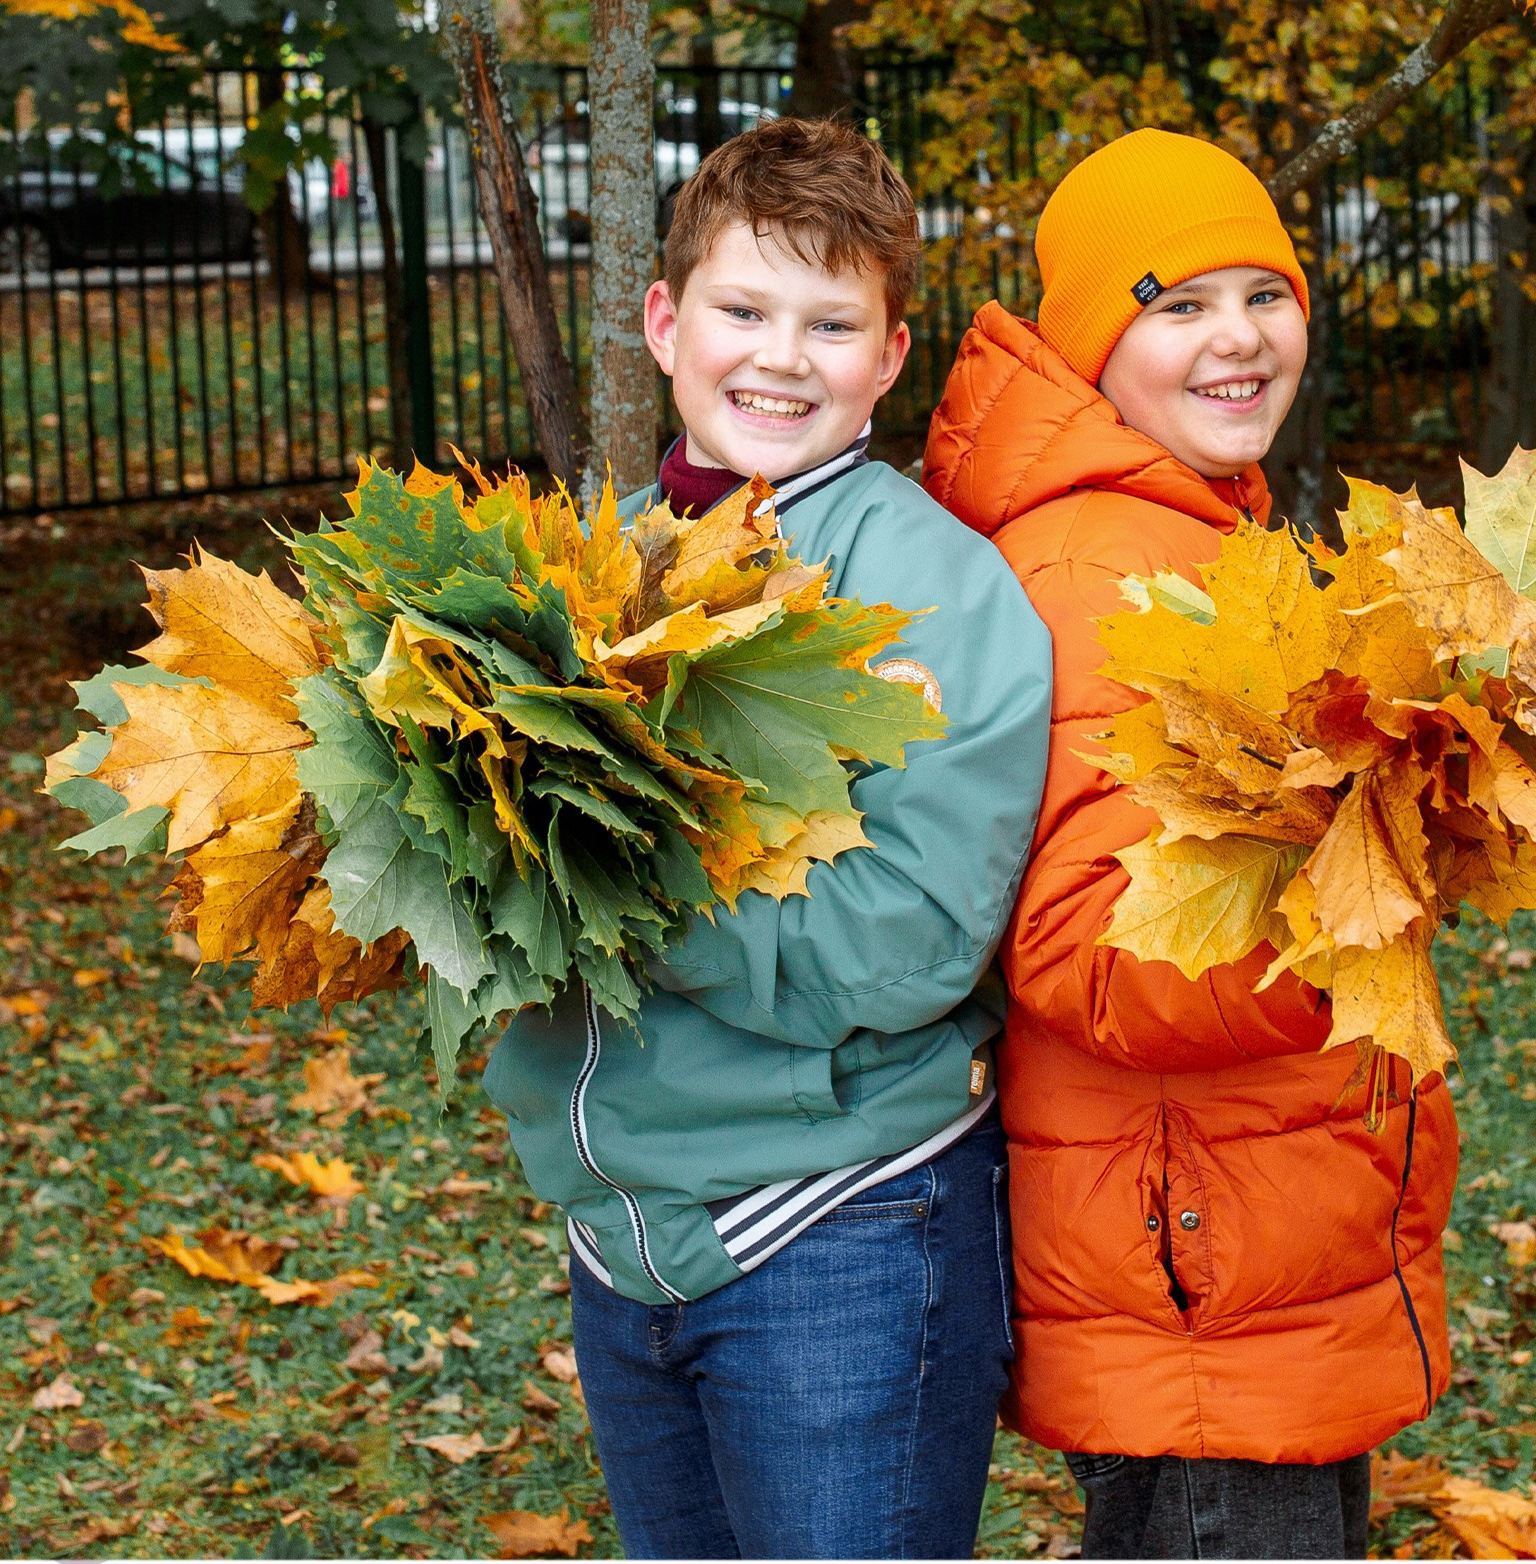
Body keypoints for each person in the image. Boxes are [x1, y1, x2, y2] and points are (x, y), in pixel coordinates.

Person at [483, 118, 1054, 1560]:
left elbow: (899, 950)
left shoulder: (938, 597)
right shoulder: (588, 569)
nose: (780, 358)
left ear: (889, 357)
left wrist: (613, 869)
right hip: (623, 1240)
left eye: (830, 322)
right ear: (667, 321)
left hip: (838, 1238)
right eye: (744, 309)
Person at [922, 128, 1458, 1559]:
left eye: (1264, 294)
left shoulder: (1192, 532)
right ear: (1097, 345)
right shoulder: (1106, 575)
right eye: (1177, 305)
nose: (1238, 338)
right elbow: (1096, 956)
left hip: (1248, 1253)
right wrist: (1379, 869)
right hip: (1204, 1279)